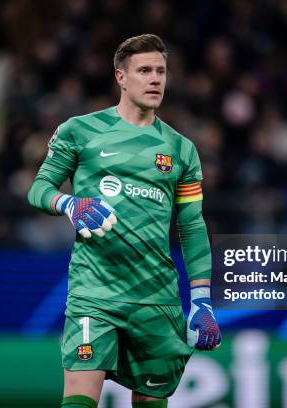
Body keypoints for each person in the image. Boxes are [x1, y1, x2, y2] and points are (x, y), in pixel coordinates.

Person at [28, 34, 221, 408]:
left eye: (161, 71)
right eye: (145, 70)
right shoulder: (80, 131)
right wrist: (68, 203)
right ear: (121, 77)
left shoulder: (181, 150)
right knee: (81, 396)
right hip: (94, 291)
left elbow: (193, 226)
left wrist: (201, 299)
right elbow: (39, 188)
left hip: (156, 298)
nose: (155, 79)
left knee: (150, 400)